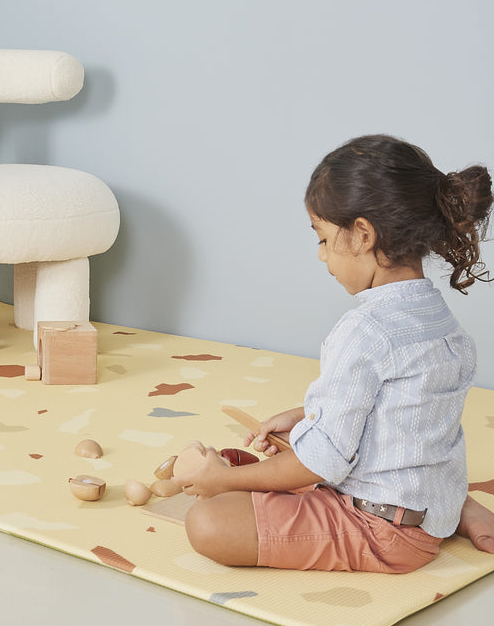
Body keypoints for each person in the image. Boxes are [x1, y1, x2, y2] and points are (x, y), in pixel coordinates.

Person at [177, 134, 494, 572]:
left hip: (379, 528)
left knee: (208, 522)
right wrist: (307, 416)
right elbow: (405, 416)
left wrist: (225, 482)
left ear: (362, 234)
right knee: (273, 463)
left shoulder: (366, 331)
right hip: (424, 509)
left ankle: (227, 478)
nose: (321, 255)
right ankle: (453, 505)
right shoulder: (441, 321)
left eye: (323, 239)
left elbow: (320, 461)